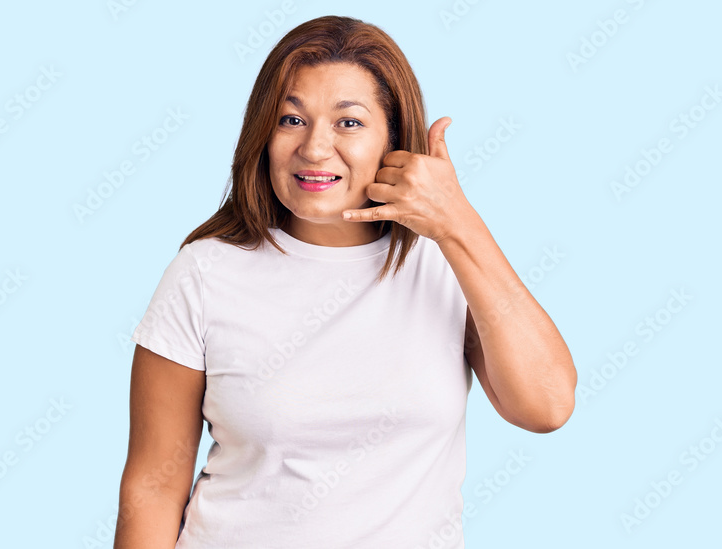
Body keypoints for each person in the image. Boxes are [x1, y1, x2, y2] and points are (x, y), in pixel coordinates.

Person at [114, 14, 576, 549]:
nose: (314, 148)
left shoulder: (445, 263)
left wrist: (458, 224)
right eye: (291, 119)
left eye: (348, 123)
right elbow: (153, 486)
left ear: (393, 140)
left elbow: (545, 407)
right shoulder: (205, 272)